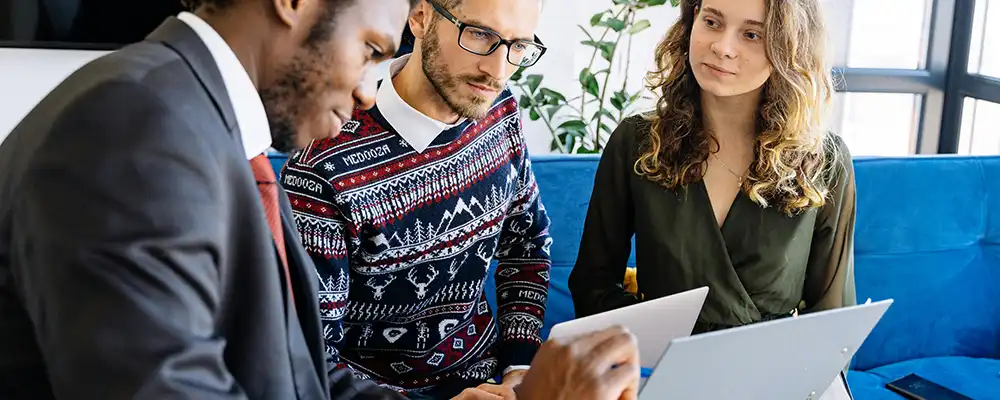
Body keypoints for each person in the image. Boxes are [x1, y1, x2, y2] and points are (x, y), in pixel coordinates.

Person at [0, 0, 641, 399]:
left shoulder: (191, 120)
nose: (367, 91)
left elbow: (299, 374)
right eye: (370, 49)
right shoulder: (132, 128)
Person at [281, 0, 551, 398]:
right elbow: (311, 359)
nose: (497, 71)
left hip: (492, 382)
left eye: (519, 46)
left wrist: (520, 367)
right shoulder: (322, 167)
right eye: (480, 34)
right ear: (421, 17)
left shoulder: (499, 108)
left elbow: (527, 245)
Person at [569, 0, 857, 334]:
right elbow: (592, 286)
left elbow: (833, 319)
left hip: (774, 364)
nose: (722, 47)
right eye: (712, 22)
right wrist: (649, 344)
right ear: (693, 19)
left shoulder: (825, 162)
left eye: (751, 34)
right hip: (656, 358)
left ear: (790, 48)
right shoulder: (636, 142)